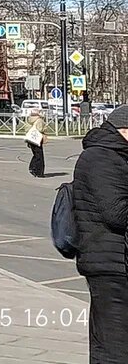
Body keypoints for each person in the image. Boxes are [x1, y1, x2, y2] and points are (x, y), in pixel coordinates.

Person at [73, 104, 128, 363]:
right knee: (114, 345)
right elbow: (116, 214)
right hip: (109, 264)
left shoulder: (115, 156)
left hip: (116, 261)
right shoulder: (101, 158)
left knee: (109, 340)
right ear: (124, 130)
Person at [24, 107, 47, 178]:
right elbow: (40, 129)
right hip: (37, 139)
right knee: (40, 156)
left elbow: (26, 129)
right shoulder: (39, 120)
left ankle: (32, 168)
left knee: (35, 154)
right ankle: (38, 172)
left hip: (30, 139)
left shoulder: (29, 120)